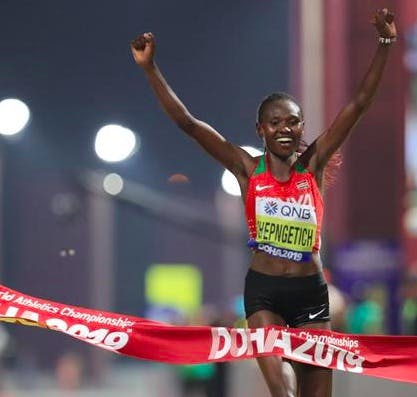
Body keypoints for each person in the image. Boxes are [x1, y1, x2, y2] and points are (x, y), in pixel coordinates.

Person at [130, 8, 397, 397]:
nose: (284, 130)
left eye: (292, 122)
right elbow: (187, 123)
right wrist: (150, 69)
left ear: (302, 126)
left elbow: (357, 105)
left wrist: (386, 43)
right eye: (275, 123)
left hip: (310, 294)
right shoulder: (245, 168)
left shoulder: (313, 164)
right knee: (281, 390)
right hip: (264, 293)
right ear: (261, 130)